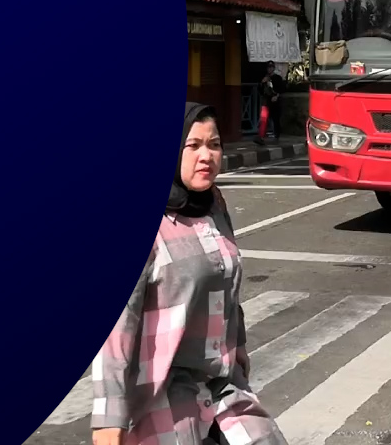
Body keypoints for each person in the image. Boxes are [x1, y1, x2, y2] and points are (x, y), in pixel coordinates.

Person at [92, 103, 287, 445]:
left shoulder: (215, 205)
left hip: (221, 382)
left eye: (214, 145)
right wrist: (110, 418)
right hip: (160, 391)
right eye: (193, 145)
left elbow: (228, 280)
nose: (206, 156)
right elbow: (117, 329)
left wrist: (238, 343)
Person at [256, 62, 284, 145]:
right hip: (266, 101)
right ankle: (261, 136)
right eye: (268, 67)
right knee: (264, 118)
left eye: (271, 67)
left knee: (276, 119)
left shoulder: (277, 78)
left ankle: (276, 136)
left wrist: (277, 96)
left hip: (274, 101)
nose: (270, 69)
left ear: (274, 68)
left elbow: (282, 89)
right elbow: (260, 91)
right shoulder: (265, 78)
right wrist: (262, 83)